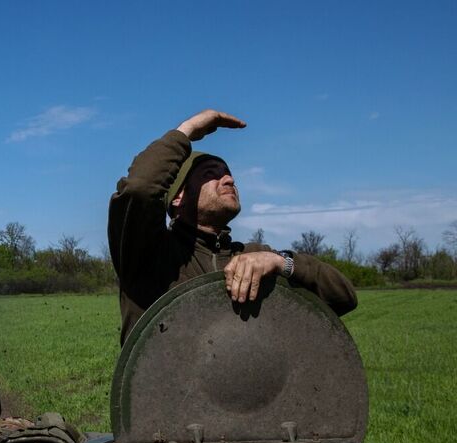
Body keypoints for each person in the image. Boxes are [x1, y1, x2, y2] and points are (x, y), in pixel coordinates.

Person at [108, 110, 357, 345]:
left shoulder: (255, 256)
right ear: (178, 197)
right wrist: (186, 131)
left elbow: (343, 298)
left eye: (228, 173)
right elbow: (138, 189)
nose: (229, 179)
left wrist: (281, 262)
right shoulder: (149, 255)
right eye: (210, 174)